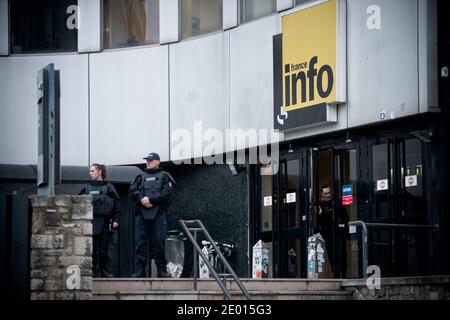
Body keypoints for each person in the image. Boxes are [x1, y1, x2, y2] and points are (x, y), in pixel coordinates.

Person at [129, 152, 176, 278]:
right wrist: (141, 199)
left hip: (158, 214)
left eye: (150, 160)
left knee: (159, 242)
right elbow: (132, 191)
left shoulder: (164, 176)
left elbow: (167, 193)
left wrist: (151, 200)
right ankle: (140, 270)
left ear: (157, 162)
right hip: (142, 214)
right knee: (140, 242)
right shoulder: (140, 176)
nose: (148, 162)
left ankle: (161, 270)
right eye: (147, 160)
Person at [79, 164, 121, 278]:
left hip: (105, 222)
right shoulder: (86, 187)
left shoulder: (109, 187)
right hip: (90, 222)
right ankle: (91, 271)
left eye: (92, 171)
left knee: (104, 249)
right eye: (90, 171)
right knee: (91, 248)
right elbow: (77, 204)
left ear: (99, 172)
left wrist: (116, 220)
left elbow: (117, 206)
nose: (90, 173)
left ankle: (103, 271)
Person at [316, 184, 349, 278]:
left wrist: (347, 232)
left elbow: (345, 218)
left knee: (343, 256)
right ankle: (336, 277)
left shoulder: (338, 203)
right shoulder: (320, 206)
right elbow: (319, 223)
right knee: (332, 257)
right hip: (328, 235)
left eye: (329, 192)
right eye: (326, 193)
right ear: (322, 194)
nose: (328, 195)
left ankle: (343, 277)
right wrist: (320, 215)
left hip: (340, 233)